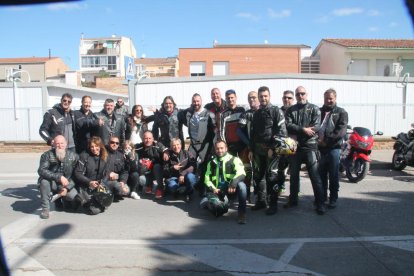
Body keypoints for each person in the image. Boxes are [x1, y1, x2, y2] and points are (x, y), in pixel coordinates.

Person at [284, 86, 326, 215]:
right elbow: (288, 125)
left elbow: (316, 127)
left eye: (302, 94)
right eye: (298, 94)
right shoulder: (291, 110)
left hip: (310, 146)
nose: (300, 96)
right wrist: (303, 130)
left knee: (315, 176)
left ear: (306, 94)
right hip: (294, 146)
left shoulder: (314, 109)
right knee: (294, 176)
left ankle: (320, 203)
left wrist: (302, 131)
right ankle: (293, 200)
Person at [249, 86, 287, 215]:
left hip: (272, 150)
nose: (263, 98)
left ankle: (273, 204)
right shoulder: (257, 113)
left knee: (272, 178)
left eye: (265, 96)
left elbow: (282, 133)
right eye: (261, 96)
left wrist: (273, 148)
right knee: (258, 176)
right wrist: (251, 149)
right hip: (258, 151)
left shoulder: (276, 111)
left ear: (269, 96)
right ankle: (261, 201)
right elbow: (253, 133)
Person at [201, 140, 247, 224]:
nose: (220, 150)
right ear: (215, 150)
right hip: (218, 191)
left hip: (232, 188)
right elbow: (206, 179)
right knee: (211, 206)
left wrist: (233, 183)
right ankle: (218, 204)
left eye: (222, 148)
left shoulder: (235, 159)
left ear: (226, 148)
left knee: (242, 186)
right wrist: (213, 189)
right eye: (217, 148)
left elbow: (242, 173)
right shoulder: (211, 162)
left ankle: (241, 214)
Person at [318, 88, 348, 209]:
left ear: (335, 98)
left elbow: (340, 131)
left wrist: (326, 141)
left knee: (333, 175)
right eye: (326, 98)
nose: (328, 100)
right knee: (321, 175)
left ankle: (333, 198)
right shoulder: (319, 111)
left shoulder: (341, 112)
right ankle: (322, 197)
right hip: (320, 148)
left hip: (333, 149)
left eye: (331, 98)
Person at [37, 135, 79, 219]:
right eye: (57, 143)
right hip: (52, 183)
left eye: (62, 143)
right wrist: (59, 177)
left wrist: (67, 188)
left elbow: (76, 175)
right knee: (44, 182)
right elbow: (41, 170)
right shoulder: (46, 155)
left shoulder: (74, 156)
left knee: (73, 197)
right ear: (54, 144)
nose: (60, 146)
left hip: (66, 184)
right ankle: (45, 209)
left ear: (66, 144)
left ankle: (62, 199)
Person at [182, 93, 216, 195]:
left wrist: (212, 146)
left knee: (205, 166)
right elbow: (176, 112)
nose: (196, 103)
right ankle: (189, 188)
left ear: (201, 101)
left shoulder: (209, 114)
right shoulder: (188, 113)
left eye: (198, 101)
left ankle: (203, 188)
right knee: (190, 164)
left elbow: (214, 131)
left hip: (205, 144)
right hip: (193, 144)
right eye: (194, 101)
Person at [73, 136, 113, 215]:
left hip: (98, 184)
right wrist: (89, 182)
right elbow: (77, 173)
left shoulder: (105, 155)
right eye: (92, 146)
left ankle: (89, 200)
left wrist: (102, 183)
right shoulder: (84, 155)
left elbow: (107, 172)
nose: (94, 148)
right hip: (85, 184)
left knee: (106, 202)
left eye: (96, 146)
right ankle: (80, 198)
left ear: (100, 146)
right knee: (95, 210)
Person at [238, 91, 260, 202]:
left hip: (261, 149)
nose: (252, 100)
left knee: (259, 172)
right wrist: (249, 144)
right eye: (249, 98)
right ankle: (246, 195)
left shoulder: (264, 112)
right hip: (247, 148)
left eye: (254, 97)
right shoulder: (245, 114)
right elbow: (239, 131)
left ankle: (258, 194)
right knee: (247, 172)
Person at [135, 131, 169, 199]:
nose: (148, 140)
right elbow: (129, 147)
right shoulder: (139, 147)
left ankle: (160, 188)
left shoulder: (157, 145)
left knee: (157, 166)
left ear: (153, 139)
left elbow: (166, 149)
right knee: (141, 179)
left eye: (149, 138)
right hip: (146, 171)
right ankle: (149, 185)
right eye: (146, 138)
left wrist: (166, 153)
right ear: (142, 139)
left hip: (158, 172)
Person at [276, 90, 295, 194]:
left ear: (293, 99)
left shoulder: (296, 111)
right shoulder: (278, 111)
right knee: (280, 167)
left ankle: (296, 190)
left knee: (294, 168)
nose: (286, 99)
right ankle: (281, 186)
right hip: (281, 142)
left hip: (293, 143)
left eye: (289, 98)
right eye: (285, 98)